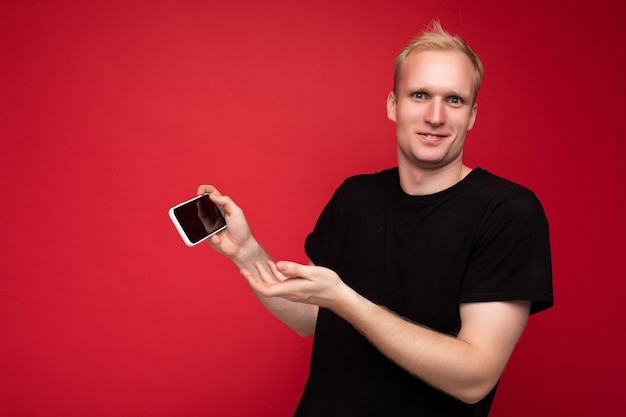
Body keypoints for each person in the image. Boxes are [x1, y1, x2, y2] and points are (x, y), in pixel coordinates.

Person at [197, 21, 553, 417]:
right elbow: (310, 318)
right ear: (392, 105)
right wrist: (246, 252)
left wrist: (345, 300)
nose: (435, 116)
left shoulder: (508, 212)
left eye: (454, 100)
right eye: (420, 95)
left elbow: (474, 378)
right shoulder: (355, 196)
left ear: (471, 115)